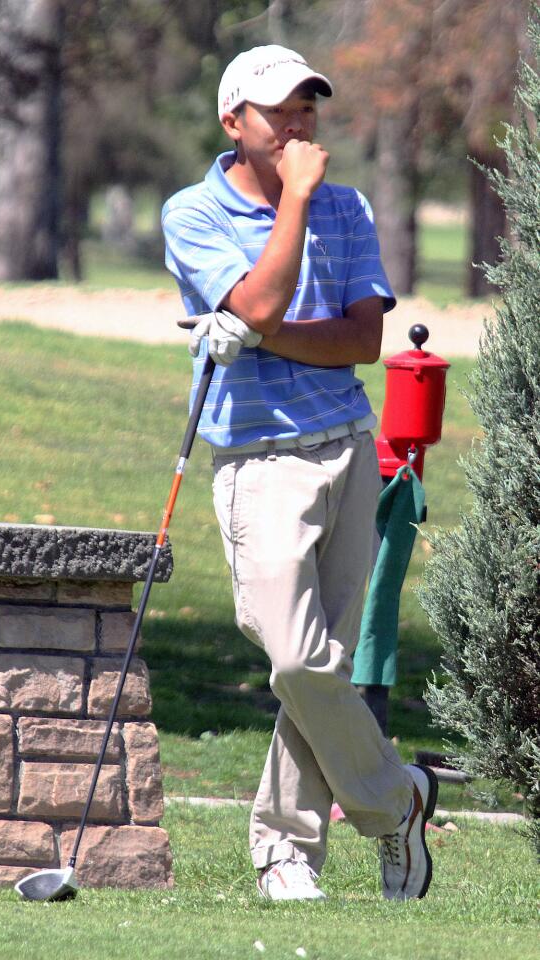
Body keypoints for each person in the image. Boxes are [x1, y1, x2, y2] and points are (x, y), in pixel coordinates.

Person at [162, 44, 438, 902]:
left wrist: (260, 326)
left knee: (317, 670)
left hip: (349, 448)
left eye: (308, 109)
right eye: (279, 110)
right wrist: (293, 211)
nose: (297, 123)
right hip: (256, 458)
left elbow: (359, 341)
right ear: (232, 122)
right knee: (295, 657)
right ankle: (398, 801)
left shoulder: (347, 208)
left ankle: (286, 857)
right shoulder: (191, 212)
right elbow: (259, 302)